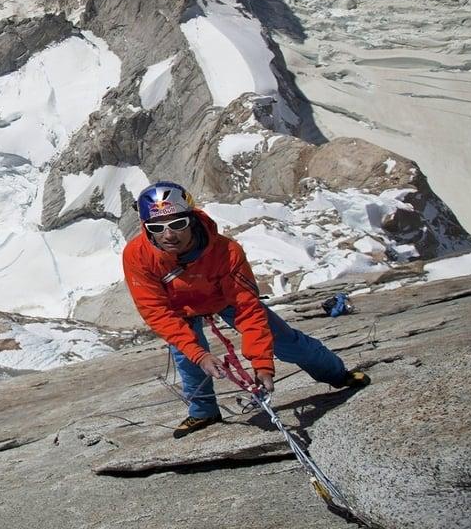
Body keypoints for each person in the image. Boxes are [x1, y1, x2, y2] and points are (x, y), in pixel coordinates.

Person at [122, 181, 369, 438]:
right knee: (189, 359)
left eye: (177, 223)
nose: (169, 235)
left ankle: (337, 375)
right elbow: (156, 311)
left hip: (223, 299)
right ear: (145, 228)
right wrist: (199, 354)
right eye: (157, 227)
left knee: (286, 341)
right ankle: (203, 411)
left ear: (191, 218)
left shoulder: (225, 252)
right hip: (180, 308)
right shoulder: (137, 255)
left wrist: (262, 364)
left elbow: (247, 307)